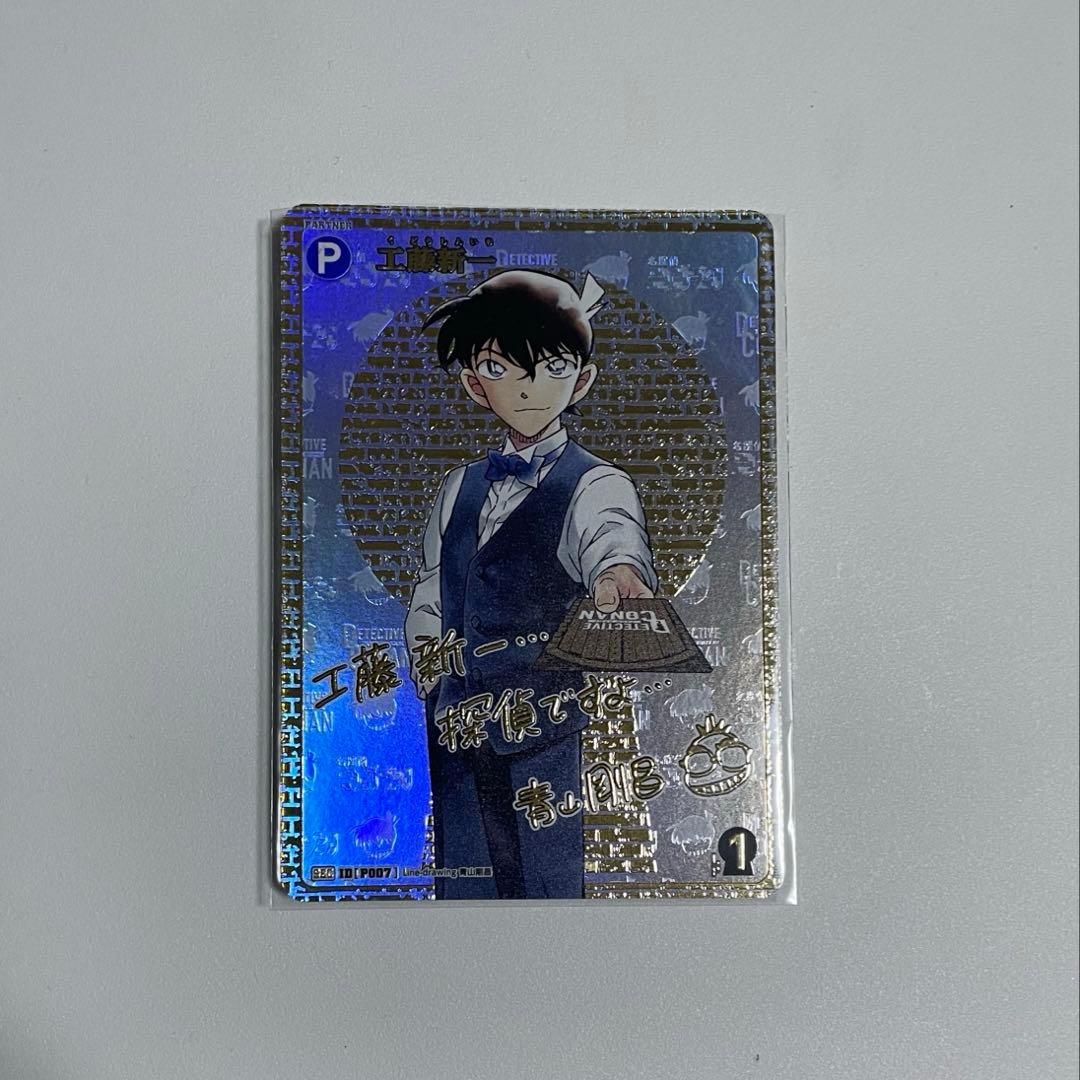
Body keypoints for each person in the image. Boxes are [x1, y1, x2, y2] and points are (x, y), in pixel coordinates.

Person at [405, 269, 657, 899]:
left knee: (547, 894)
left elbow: (613, 535)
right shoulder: (457, 488)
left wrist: (619, 572)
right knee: (463, 887)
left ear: (582, 380)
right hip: (458, 728)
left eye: (551, 367)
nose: (527, 388)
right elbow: (433, 589)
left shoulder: (597, 483)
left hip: (544, 726)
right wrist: (431, 671)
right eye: (501, 368)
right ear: (474, 383)